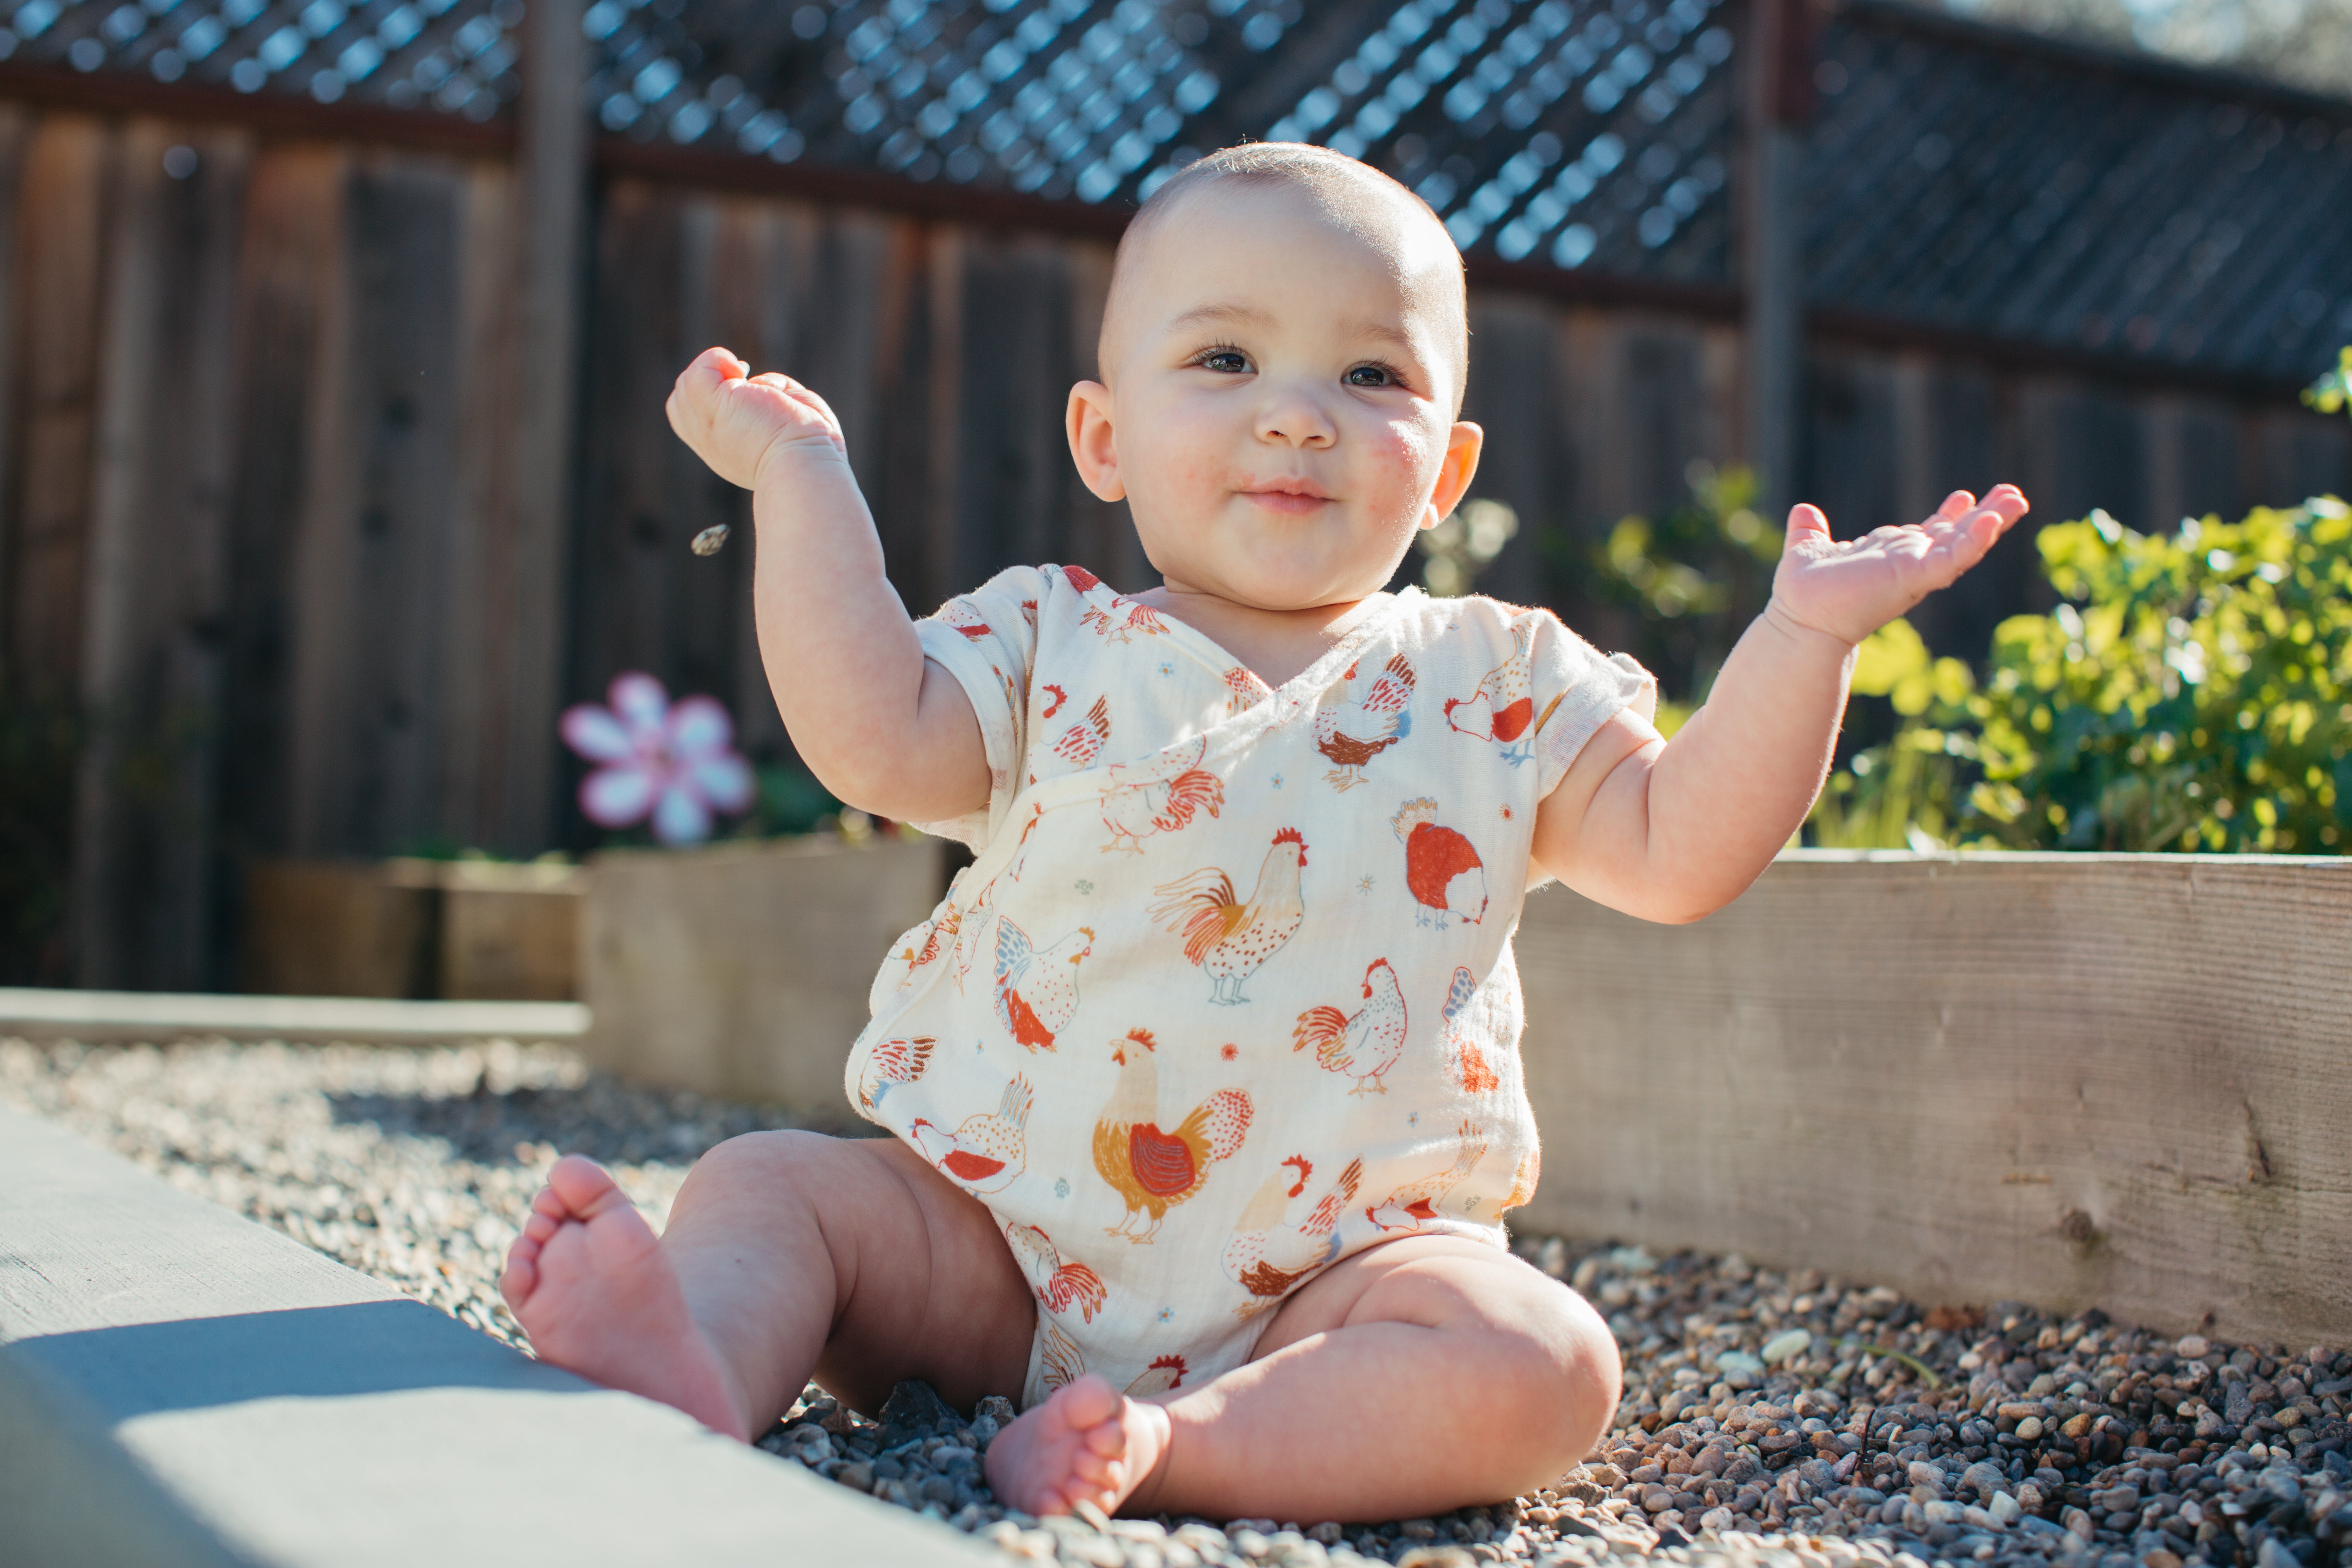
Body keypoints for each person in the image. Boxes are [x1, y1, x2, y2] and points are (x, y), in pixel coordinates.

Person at [499, 142, 2027, 1525]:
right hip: (993, 1248)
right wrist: (803, 479)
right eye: (1226, 357)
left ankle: (1185, 1452)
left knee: (1548, 1358)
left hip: (1339, 1283)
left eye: (1373, 376)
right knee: (774, 1187)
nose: (1298, 413)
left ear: (1446, 469)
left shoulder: (1497, 683)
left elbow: (1683, 850)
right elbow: (867, 732)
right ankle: (692, 1368)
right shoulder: (1052, 641)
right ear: (1106, 438)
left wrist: (1802, 642)